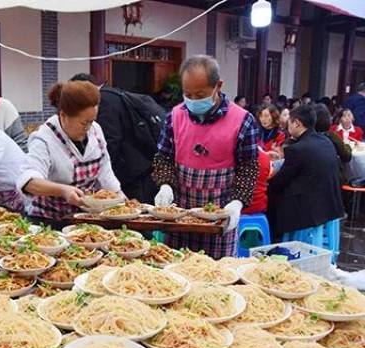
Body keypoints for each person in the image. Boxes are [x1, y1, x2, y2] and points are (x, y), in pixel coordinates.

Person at [152, 55, 259, 259]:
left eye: (199, 94)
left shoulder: (243, 120)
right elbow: (163, 158)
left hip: (219, 220)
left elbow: (248, 168)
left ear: (218, 85)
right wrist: (165, 185)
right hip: (180, 219)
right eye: (187, 94)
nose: (192, 100)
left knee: (215, 280)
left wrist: (237, 202)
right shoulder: (174, 117)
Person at [17, 80, 121, 220]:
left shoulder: (95, 130)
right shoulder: (44, 139)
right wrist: (63, 190)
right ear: (63, 116)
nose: (88, 128)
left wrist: (122, 201)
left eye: (92, 121)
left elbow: (105, 173)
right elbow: (29, 182)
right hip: (48, 221)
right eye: (84, 123)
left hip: (85, 218)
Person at [70, 73, 164, 204]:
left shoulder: (104, 102)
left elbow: (110, 144)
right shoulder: (113, 94)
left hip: (134, 176)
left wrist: (99, 177)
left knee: (134, 215)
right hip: (143, 167)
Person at [267, 105, 344, 239]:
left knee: (270, 193)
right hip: (331, 203)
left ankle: (274, 242)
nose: (288, 126)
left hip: (309, 208)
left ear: (297, 123)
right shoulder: (326, 141)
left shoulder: (297, 149)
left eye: (289, 122)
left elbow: (280, 181)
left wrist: (267, 182)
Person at [315, 104, 352, 186]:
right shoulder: (331, 136)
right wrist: (348, 146)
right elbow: (346, 156)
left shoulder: (307, 135)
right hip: (331, 179)